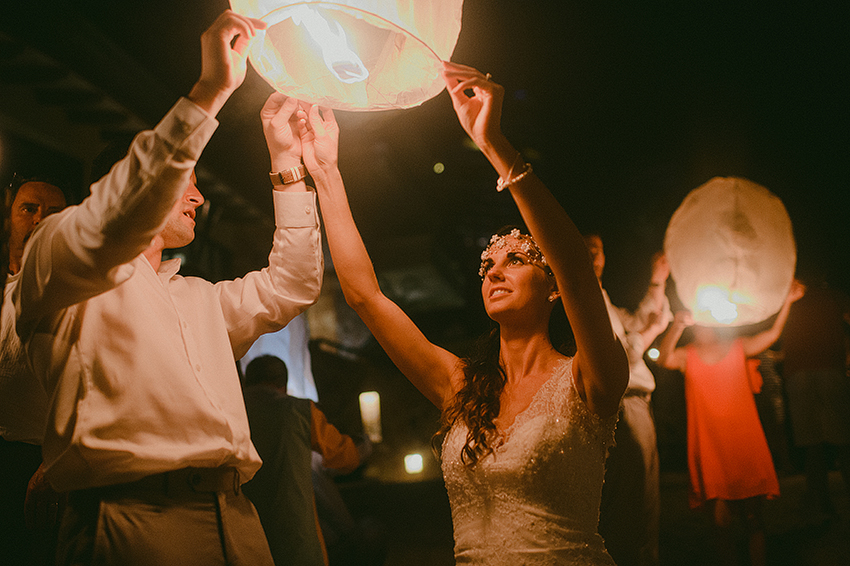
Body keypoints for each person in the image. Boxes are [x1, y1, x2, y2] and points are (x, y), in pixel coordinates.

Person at [13, 10, 324, 566]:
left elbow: (292, 286)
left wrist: (285, 162)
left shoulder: (199, 297)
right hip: (132, 518)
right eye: (188, 182)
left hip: (238, 515)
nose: (198, 198)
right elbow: (119, 213)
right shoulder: (55, 262)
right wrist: (210, 92)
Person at [298, 61, 629, 564]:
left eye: (516, 260)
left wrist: (493, 142)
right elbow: (365, 295)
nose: (494, 271)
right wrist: (325, 174)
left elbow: (578, 268)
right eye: (487, 265)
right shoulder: (460, 386)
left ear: (553, 289)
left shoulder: (591, 379)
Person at [657, 282, 804, 566]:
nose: (705, 327)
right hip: (712, 447)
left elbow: (772, 334)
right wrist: (676, 325)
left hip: (744, 444)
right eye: (700, 322)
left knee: (753, 519)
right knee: (720, 524)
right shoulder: (688, 356)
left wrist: (788, 300)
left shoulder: (739, 347)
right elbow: (663, 359)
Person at [586, 234, 671, 566]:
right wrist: (650, 334)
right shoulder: (582, 301)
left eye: (599, 248)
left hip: (638, 405)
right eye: (586, 248)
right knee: (629, 503)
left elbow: (635, 323)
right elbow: (618, 355)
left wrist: (658, 282)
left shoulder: (602, 297)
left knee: (647, 500)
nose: (594, 254)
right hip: (622, 407)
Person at [1, 175, 67, 566]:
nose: (41, 220)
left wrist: (54, 463)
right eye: (30, 208)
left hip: (38, 462)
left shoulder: (69, 291)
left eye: (54, 213)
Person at [241, 355, 362, 566]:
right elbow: (346, 458)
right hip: (295, 534)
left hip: (245, 532)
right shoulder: (300, 411)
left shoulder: (232, 413)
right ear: (284, 385)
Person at [781, 276, 850, 524]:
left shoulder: (786, 291)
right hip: (829, 370)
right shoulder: (831, 294)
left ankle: (822, 504)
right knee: (843, 440)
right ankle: (823, 503)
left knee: (814, 444)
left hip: (799, 372)